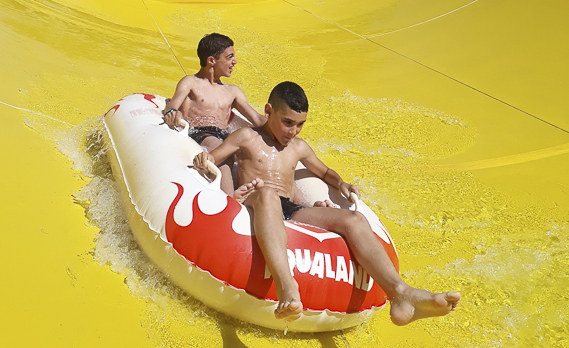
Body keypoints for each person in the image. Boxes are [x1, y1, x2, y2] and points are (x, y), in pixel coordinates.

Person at [193, 81, 461, 325]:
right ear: (269, 110)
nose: (293, 131)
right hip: (255, 200)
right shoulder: (247, 138)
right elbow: (214, 159)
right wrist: (204, 162)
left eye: (300, 124)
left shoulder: (298, 146)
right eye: (287, 122)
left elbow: (324, 172)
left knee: (354, 220)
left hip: (290, 208)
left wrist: (341, 184)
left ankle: (401, 293)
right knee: (268, 195)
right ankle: (288, 287)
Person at [164, 33, 267, 200]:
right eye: (229, 57)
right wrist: (171, 112)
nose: (234, 62)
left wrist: (281, 124)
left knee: (248, 148)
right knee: (219, 145)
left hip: (224, 136)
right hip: (199, 134)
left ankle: (261, 197)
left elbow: (256, 119)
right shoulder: (191, 82)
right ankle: (230, 199)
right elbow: (174, 103)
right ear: (211, 60)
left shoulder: (232, 91)